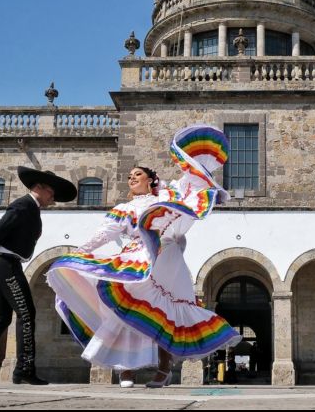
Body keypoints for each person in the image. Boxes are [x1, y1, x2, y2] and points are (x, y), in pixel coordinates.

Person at [47, 125, 241, 388]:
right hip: (138, 257)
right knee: (126, 307)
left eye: (137, 174)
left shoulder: (167, 195)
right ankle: (126, 368)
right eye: (129, 176)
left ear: (151, 179)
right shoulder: (124, 208)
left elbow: (192, 182)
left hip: (168, 256)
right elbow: (105, 232)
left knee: (165, 314)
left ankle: (164, 369)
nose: (131, 178)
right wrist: (82, 252)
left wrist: (194, 159)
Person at [0, 166, 77, 387]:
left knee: (0, 319)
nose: (53, 199)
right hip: (6, 265)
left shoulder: (31, 207)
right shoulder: (24, 205)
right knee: (26, 313)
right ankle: (25, 368)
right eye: (51, 193)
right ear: (39, 187)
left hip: (4, 265)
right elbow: (0, 227)